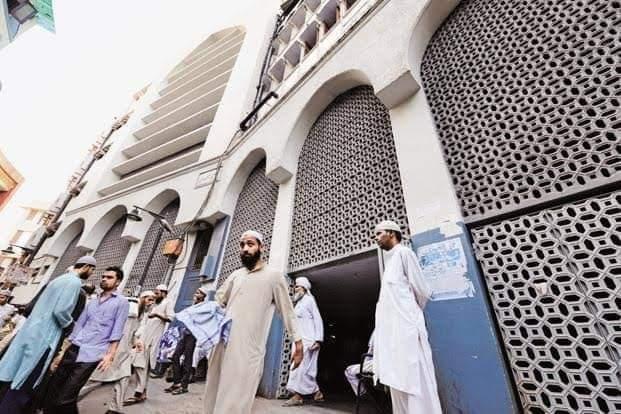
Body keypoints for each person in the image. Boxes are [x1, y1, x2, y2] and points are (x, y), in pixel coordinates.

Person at [204, 230, 303, 414]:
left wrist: (298, 342)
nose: (245, 249)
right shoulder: (236, 275)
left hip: (249, 350)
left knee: (238, 398)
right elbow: (218, 302)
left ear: (261, 247)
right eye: (242, 245)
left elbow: (288, 311)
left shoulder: (273, 276)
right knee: (214, 390)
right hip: (223, 345)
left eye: (250, 244)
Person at [0, 255, 96, 414]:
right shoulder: (74, 282)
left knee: (14, 378)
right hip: (44, 339)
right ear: (86, 267)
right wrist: (70, 325)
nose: (91, 273)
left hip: (30, 334)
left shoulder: (58, 279)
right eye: (92, 270)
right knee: (26, 382)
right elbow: (61, 311)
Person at [373, 220, 442, 414]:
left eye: (379, 234)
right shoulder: (390, 262)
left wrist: (410, 316)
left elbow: (421, 289)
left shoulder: (405, 253)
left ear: (392, 233)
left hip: (407, 328)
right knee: (397, 378)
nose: (376, 238)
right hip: (394, 332)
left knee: (414, 377)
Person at [44, 266, 129, 414]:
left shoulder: (121, 302)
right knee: (53, 389)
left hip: (92, 353)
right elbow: (80, 324)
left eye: (109, 277)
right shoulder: (93, 301)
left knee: (66, 396)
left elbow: (117, 330)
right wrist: (63, 351)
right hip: (74, 348)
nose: (104, 279)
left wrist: (110, 355)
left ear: (118, 282)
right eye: (103, 276)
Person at [81, 289, 155, 414]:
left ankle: (114, 409)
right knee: (95, 380)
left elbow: (132, 332)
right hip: (113, 351)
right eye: (149, 299)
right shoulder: (132, 307)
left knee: (124, 378)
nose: (150, 303)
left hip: (124, 353)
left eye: (153, 300)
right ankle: (66, 399)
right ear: (142, 298)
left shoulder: (141, 313)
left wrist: (136, 341)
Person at [123, 284, 174, 405]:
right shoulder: (154, 305)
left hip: (153, 340)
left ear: (164, 293)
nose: (155, 296)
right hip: (143, 339)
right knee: (139, 365)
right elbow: (144, 323)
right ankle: (141, 392)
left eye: (157, 293)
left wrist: (157, 315)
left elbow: (171, 318)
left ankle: (139, 393)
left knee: (142, 366)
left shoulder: (168, 302)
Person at [284, 277, 324, 406]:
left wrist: (318, 340)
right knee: (303, 369)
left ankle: (297, 396)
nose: (295, 289)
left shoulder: (309, 301)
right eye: (295, 287)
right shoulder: (299, 304)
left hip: (309, 341)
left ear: (304, 288)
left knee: (300, 367)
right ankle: (317, 392)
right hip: (299, 341)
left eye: (297, 287)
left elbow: (318, 319)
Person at [165, 286, 207, 395]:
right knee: (175, 356)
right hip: (185, 333)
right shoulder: (193, 306)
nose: (195, 294)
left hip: (193, 336)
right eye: (196, 291)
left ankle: (184, 386)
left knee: (188, 360)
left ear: (203, 296)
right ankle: (176, 382)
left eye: (198, 293)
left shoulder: (203, 308)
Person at [344, 331, 374, 396]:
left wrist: (364, 365)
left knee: (348, 371)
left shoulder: (378, 330)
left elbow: (370, 352)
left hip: (377, 365)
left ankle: (363, 393)